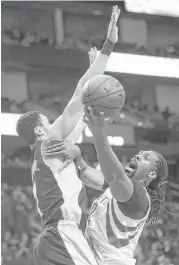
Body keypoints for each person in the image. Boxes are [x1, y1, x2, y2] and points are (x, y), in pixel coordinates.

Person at [15, 5, 120, 265]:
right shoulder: (49, 145)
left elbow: (83, 119)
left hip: (56, 238)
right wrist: (108, 47)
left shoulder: (47, 155)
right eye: (48, 121)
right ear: (40, 130)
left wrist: (95, 77)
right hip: (63, 235)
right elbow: (78, 98)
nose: (53, 123)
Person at [47, 107, 168, 265]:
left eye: (146, 158)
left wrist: (98, 133)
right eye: (140, 153)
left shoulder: (139, 195)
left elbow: (115, 175)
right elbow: (85, 173)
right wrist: (76, 156)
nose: (138, 155)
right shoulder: (116, 188)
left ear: (151, 174)